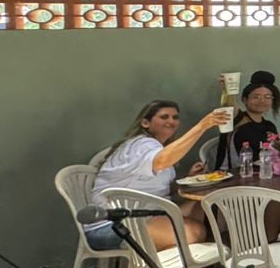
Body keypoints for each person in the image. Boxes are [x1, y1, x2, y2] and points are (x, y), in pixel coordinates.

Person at [91, 101, 231, 250]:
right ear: (145, 123)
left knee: (214, 212)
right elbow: (161, 161)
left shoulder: (159, 149)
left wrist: (189, 177)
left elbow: (163, 188)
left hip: (151, 214)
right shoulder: (141, 143)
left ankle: (196, 260)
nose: (171, 121)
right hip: (113, 224)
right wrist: (202, 126)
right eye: (164, 117)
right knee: (196, 231)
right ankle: (166, 263)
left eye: (175, 117)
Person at [216, 70, 280, 170]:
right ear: (245, 100)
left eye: (267, 97)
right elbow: (229, 105)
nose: (262, 100)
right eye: (256, 97)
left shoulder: (270, 127)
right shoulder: (237, 119)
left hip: (262, 173)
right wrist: (227, 89)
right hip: (232, 174)